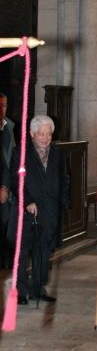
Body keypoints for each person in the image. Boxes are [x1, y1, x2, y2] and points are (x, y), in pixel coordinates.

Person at [9, 115, 70, 304]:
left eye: (48, 134)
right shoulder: (21, 152)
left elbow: (65, 178)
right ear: (32, 134)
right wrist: (27, 201)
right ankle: (20, 291)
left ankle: (38, 288)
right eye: (41, 134)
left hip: (50, 210)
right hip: (27, 210)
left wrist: (63, 201)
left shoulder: (57, 153)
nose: (45, 138)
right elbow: (16, 180)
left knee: (43, 250)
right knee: (23, 250)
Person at [0, 92, 16, 269]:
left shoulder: (9, 128)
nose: (2, 110)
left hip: (7, 191)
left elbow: (11, 159)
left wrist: (7, 186)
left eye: (4, 106)